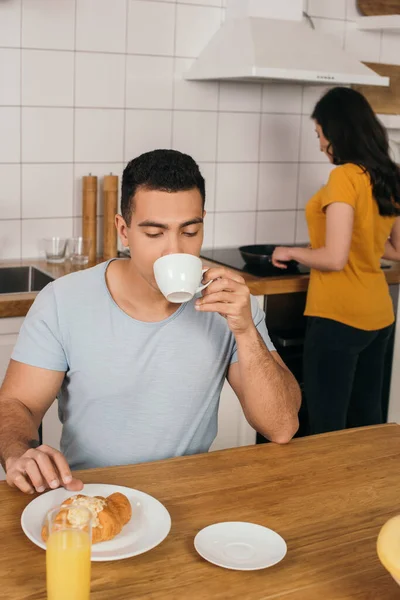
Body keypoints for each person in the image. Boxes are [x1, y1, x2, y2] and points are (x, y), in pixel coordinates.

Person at [0, 149, 300, 495]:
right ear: (124, 230)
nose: (174, 251)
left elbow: (281, 427)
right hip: (90, 500)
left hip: (190, 499)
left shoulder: (230, 304)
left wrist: (246, 332)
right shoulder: (62, 301)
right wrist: (20, 453)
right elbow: (16, 404)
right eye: (155, 234)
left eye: (189, 232)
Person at [272, 87, 400, 435]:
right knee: (366, 423)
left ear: (336, 130)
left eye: (319, 134)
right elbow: (395, 249)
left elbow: (333, 257)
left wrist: (291, 251)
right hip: (379, 316)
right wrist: (363, 245)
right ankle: (367, 490)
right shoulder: (388, 175)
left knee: (326, 428)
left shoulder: (344, 176)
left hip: (338, 316)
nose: (319, 144)